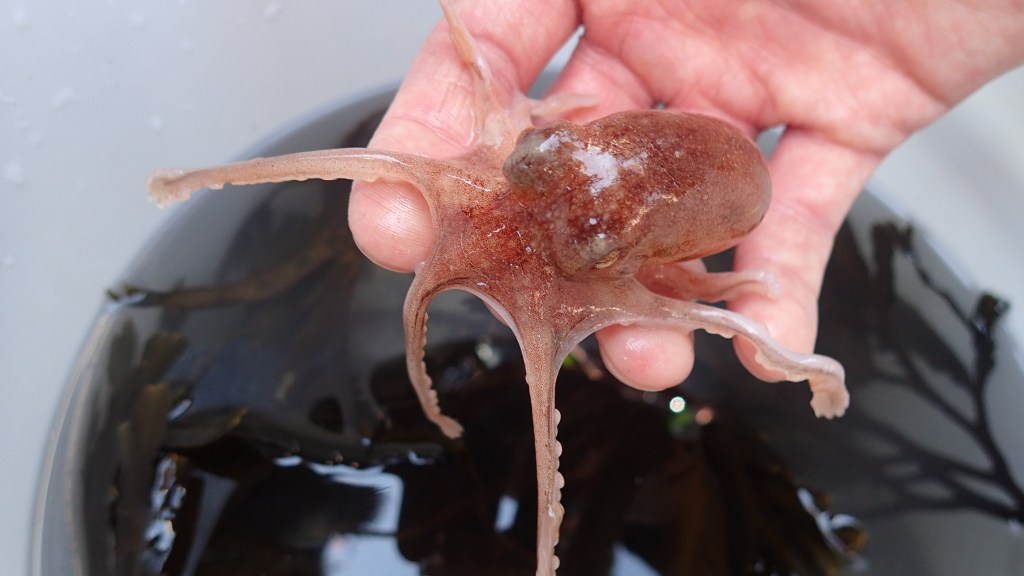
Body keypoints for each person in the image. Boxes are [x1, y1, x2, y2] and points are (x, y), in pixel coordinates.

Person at [348, 0, 1024, 392]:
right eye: (542, 159)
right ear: (567, 136)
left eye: (600, 246)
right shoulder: (577, 157)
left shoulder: (646, 223)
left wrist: (715, 290)